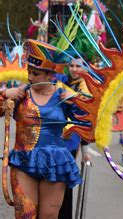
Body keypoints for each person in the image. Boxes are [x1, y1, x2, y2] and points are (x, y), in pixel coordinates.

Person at [0, 39, 82, 218]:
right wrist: (6, 94)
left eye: (35, 74)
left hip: (55, 163)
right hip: (23, 162)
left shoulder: (63, 95)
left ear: (50, 76)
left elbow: (90, 124)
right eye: (29, 72)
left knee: (48, 216)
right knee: (26, 215)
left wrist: (77, 100)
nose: (30, 77)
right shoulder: (21, 94)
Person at [57, 57, 93, 219]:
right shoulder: (62, 80)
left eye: (78, 65)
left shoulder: (89, 87)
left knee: (65, 183)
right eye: (71, 65)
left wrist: (76, 97)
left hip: (70, 142)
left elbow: (87, 120)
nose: (73, 69)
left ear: (86, 67)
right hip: (53, 138)